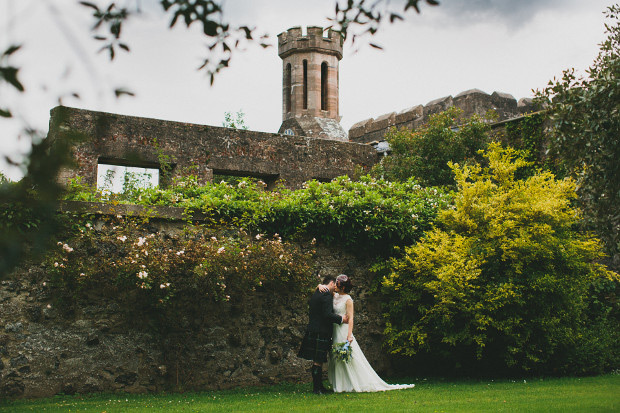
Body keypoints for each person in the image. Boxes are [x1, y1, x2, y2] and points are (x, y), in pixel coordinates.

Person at [320, 274, 415, 392]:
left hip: (343, 331)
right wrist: (319, 285)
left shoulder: (348, 300)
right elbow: (324, 290)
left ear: (343, 287)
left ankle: (351, 383)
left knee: (347, 357)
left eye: (337, 284)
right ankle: (340, 385)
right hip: (335, 330)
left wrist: (349, 335)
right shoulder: (335, 296)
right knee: (335, 357)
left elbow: (351, 318)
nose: (334, 286)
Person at [298, 275, 349, 394]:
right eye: (334, 284)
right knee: (318, 360)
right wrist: (341, 319)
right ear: (331, 283)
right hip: (321, 331)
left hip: (313, 329)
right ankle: (317, 389)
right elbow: (327, 315)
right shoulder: (326, 295)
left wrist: (319, 285)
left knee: (318, 360)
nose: (335, 287)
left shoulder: (317, 292)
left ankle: (319, 387)